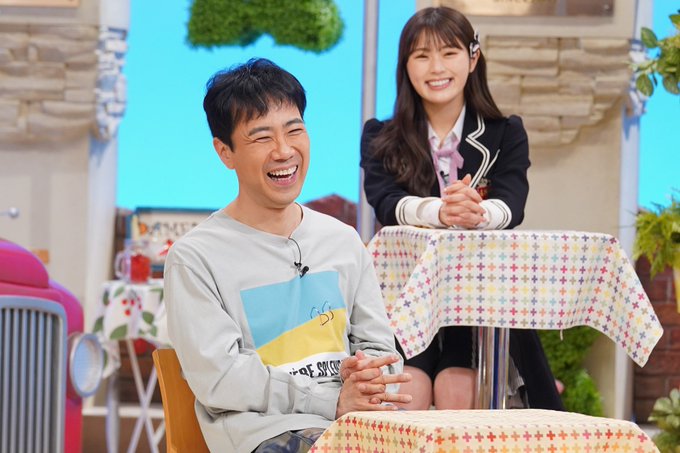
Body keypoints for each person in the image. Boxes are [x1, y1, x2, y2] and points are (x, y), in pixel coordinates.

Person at [164, 58, 412, 453]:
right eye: (261, 137)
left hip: (355, 425)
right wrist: (329, 400)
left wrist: (368, 375)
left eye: (294, 130)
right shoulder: (196, 258)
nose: (283, 151)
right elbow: (221, 378)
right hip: (267, 433)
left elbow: (383, 351)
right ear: (225, 152)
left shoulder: (343, 241)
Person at [360, 7, 564, 411]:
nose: (436, 67)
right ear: (405, 66)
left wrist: (478, 214)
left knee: (458, 390)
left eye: (449, 53)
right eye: (421, 56)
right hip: (406, 296)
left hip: (479, 299)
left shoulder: (506, 133)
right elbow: (385, 202)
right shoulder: (380, 136)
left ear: (472, 59)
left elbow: (511, 205)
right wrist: (441, 212)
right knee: (407, 391)